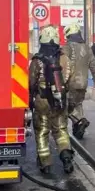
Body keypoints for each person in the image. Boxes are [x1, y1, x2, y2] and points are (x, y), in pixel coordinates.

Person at [29, 25, 74, 175]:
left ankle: (45, 163)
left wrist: (30, 99)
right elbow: (69, 79)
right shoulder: (64, 58)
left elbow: (31, 82)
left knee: (42, 131)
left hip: (42, 100)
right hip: (60, 99)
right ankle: (67, 157)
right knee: (61, 130)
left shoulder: (37, 60)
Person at [63, 23, 95, 139]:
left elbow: (63, 65)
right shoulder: (87, 48)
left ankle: (80, 121)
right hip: (83, 84)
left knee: (66, 108)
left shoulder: (67, 47)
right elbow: (94, 66)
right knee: (78, 105)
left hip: (71, 83)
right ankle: (79, 131)